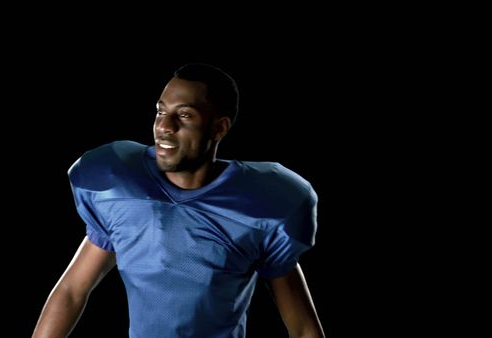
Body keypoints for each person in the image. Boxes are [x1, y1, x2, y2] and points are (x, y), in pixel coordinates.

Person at [32, 63, 325, 338]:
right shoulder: (119, 191)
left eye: (184, 115)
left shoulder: (261, 207)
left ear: (219, 128)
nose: (165, 126)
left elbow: (302, 327)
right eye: (161, 112)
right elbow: (72, 291)